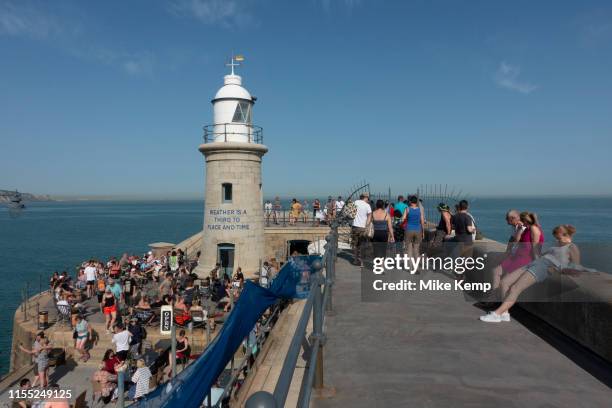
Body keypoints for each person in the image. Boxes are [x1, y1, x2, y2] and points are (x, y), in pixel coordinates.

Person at [480, 225, 581, 323]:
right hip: (534, 264)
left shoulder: (572, 248)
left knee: (515, 288)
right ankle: (504, 313)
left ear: (566, 235)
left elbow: (575, 269)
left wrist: (557, 269)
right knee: (504, 283)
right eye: (556, 238)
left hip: (541, 269)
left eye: (559, 238)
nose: (557, 240)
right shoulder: (558, 245)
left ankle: (497, 314)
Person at [490, 211, 543, 292]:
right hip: (516, 256)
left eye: (521, 220)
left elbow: (535, 249)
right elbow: (515, 240)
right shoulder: (524, 229)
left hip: (524, 259)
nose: (519, 221)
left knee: (504, 282)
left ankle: (503, 303)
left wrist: (538, 265)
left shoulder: (532, 230)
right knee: (496, 271)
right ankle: (493, 300)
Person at [401, 196, 425, 262]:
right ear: (416, 202)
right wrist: (423, 232)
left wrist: (401, 221)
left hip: (409, 229)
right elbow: (422, 221)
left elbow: (403, 219)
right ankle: (416, 267)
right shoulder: (420, 210)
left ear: (410, 201)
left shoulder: (407, 209)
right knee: (416, 249)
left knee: (409, 249)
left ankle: (410, 266)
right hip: (418, 230)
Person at [351, 193, 372, 266]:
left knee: (355, 244)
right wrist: (367, 225)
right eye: (368, 198)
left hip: (354, 226)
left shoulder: (355, 202)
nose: (368, 199)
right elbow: (369, 216)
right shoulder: (367, 205)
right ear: (365, 197)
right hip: (363, 227)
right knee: (363, 245)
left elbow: (351, 212)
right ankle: (362, 262)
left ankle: (355, 260)